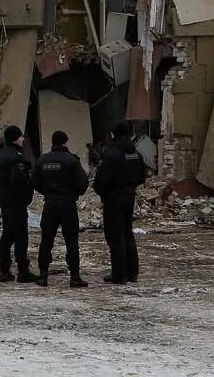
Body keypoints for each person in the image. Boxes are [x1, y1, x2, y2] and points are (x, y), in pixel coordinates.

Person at [32, 130, 91, 288]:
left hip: (50, 204)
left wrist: (47, 191)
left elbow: (34, 181)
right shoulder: (71, 160)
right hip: (67, 204)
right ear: (65, 142)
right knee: (71, 241)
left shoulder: (43, 160)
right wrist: (72, 193)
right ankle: (75, 276)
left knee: (46, 240)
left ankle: (43, 276)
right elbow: (82, 184)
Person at [94, 121, 149, 285]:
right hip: (129, 197)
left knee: (115, 236)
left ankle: (119, 274)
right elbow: (142, 176)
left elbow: (101, 181)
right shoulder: (135, 154)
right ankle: (133, 273)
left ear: (114, 135)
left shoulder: (112, 155)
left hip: (113, 199)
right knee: (128, 233)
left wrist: (103, 192)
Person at [0, 125, 38, 283]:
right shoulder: (16, 157)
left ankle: (4, 270)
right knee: (20, 236)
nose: (23, 139)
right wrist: (28, 193)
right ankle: (23, 271)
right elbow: (20, 182)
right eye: (20, 137)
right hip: (16, 202)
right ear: (14, 138)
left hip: (5, 201)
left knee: (7, 236)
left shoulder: (0, 155)